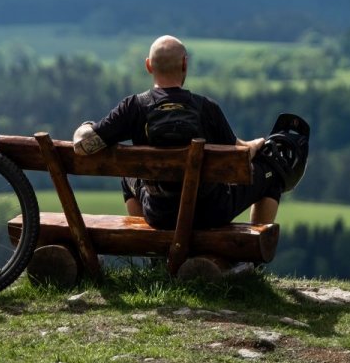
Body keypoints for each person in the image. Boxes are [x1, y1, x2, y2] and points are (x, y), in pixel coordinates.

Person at [72, 35, 306, 230]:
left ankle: (153, 250)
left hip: (159, 215)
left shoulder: (133, 107)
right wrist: (257, 143)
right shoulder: (206, 108)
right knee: (272, 173)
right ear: (185, 64)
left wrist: (86, 126)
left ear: (148, 65)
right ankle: (253, 257)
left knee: (128, 174)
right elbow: (239, 153)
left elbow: (82, 145)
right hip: (209, 212)